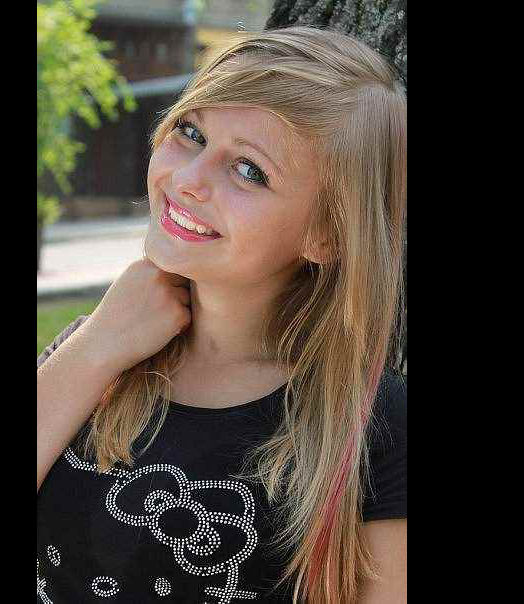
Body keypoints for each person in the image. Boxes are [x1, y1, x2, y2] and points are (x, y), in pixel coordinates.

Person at [37, 25, 407, 604]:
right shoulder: (92, 353)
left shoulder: (376, 428)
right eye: (191, 132)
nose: (187, 180)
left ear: (326, 234)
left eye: (248, 170)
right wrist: (94, 351)